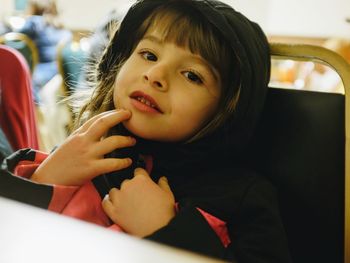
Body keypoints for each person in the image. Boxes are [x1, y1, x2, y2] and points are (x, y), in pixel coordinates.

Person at [0, 0, 292, 262]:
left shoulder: (242, 197)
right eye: (149, 55)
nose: (155, 75)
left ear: (229, 109)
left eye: (192, 75)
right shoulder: (90, 154)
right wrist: (43, 179)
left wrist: (167, 232)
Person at [17, 0, 72, 103]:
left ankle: (33, 112)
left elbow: (15, 40)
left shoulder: (34, 22)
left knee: (23, 80)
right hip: (60, 69)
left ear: (34, 7)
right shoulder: (61, 26)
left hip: (43, 69)